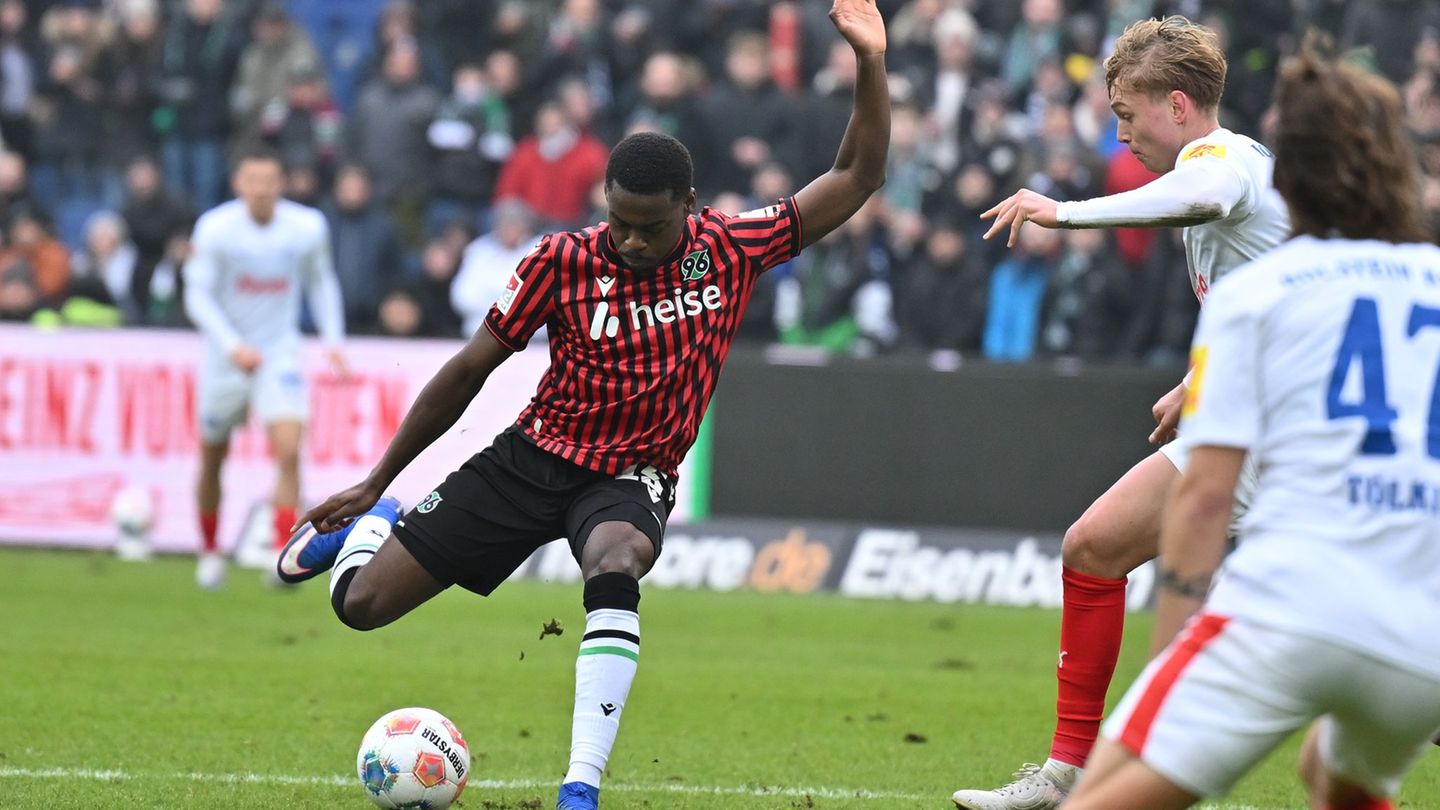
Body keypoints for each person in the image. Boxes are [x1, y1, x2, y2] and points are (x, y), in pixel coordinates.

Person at [275, 3, 889, 809]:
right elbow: (469, 371)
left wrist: (870, 63)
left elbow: (857, 177)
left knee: (617, 557)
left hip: (629, 476)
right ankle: (379, 522)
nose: (630, 243)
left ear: (689, 206)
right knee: (360, 607)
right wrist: (375, 478)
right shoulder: (559, 262)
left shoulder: (731, 250)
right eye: (619, 223)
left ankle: (579, 787)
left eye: (651, 229)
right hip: (531, 458)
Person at [1065, 40, 1440, 810]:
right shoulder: (1430, 282)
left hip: (1297, 607)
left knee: (1108, 792)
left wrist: (1172, 671)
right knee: (1333, 778)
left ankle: (1073, 774)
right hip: (1421, 631)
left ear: (1289, 176)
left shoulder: (1264, 286)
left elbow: (1204, 501)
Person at [951, 16, 1291, 810]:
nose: (1120, 131)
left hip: (1279, 434)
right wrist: (1199, 379)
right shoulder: (1240, 167)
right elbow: (1273, 294)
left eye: (1129, 114)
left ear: (1178, 105)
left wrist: (1061, 212)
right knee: (1094, 547)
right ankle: (1067, 773)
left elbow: (1197, 201)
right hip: (1242, 413)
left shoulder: (1221, 160)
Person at [183, 146, 346, 590]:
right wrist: (233, 346)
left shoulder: (307, 227)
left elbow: (321, 280)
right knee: (213, 455)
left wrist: (333, 340)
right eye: (252, 181)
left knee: (290, 451)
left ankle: (282, 556)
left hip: (279, 354)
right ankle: (210, 552)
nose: (261, 190)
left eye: (269, 181)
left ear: (281, 183)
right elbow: (197, 295)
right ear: (239, 184)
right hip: (225, 358)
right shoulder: (216, 228)